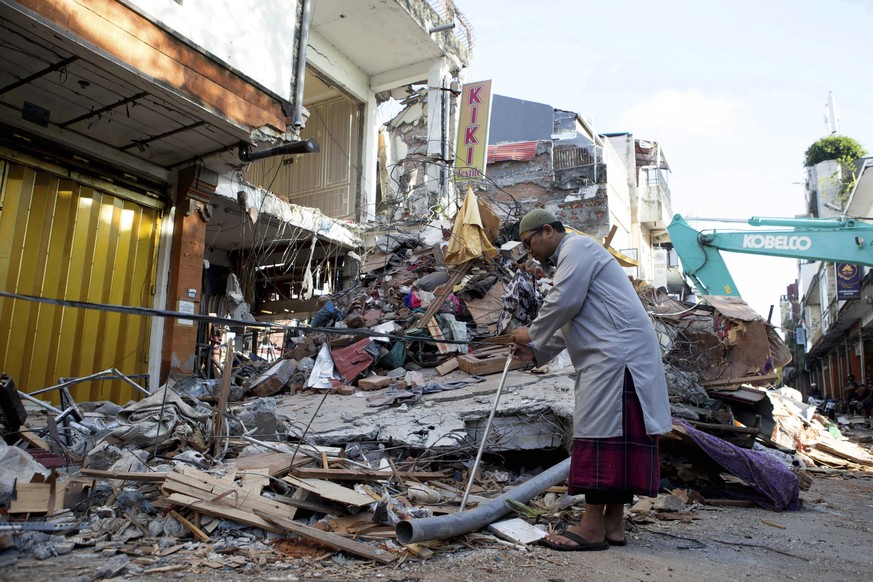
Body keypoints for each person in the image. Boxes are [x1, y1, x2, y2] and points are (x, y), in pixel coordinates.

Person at [510, 209, 671, 551]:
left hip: (617, 356)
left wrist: (531, 333)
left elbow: (563, 302)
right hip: (617, 354)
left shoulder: (577, 248)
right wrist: (535, 352)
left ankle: (591, 526)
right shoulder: (576, 258)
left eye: (528, 243)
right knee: (619, 435)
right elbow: (570, 319)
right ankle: (613, 523)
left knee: (603, 436)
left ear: (548, 231)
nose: (529, 252)